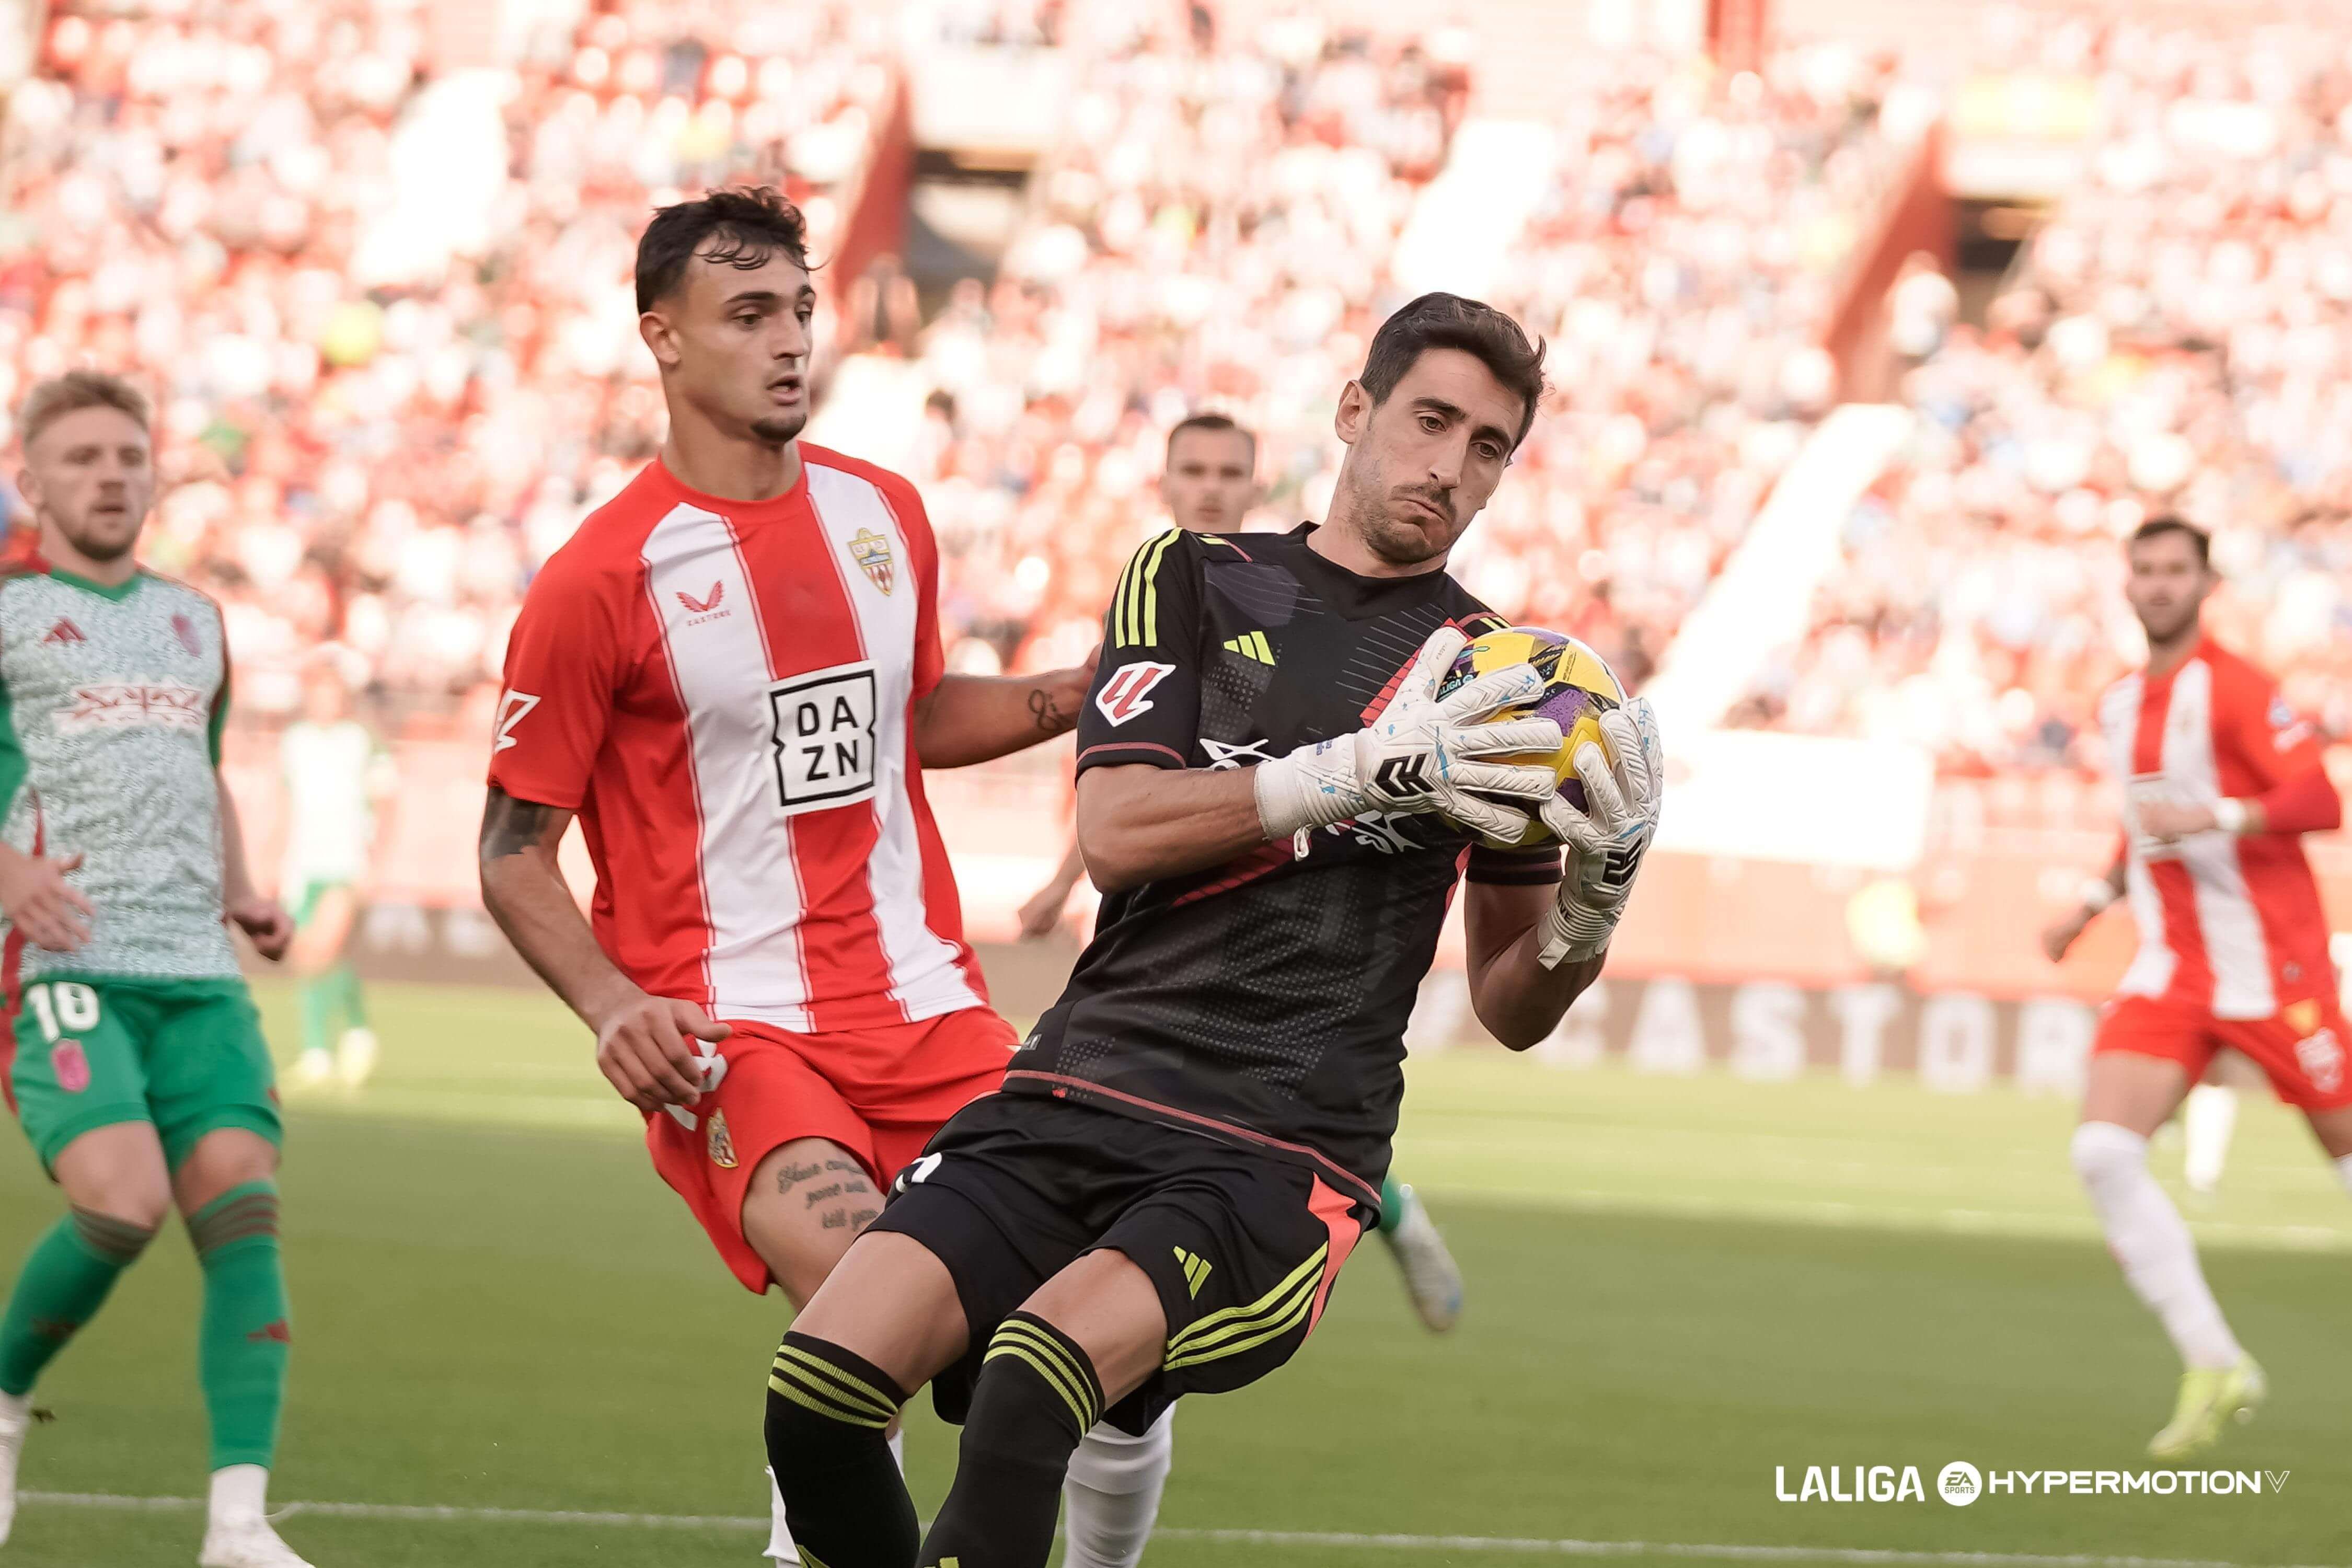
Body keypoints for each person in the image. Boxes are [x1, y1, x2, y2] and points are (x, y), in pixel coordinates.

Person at [764, 292, 1664, 1568]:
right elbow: (1120, 829)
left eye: (1486, 448)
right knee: (817, 1400)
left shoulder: (1504, 682)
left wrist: (1591, 906)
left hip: (1272, 1154)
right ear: (1352, 412)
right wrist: (1351, 771)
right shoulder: (1189, 576)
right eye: (1429, 421)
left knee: (1029, 1387)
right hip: (1071, 1090)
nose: (1449, 468)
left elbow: (1512, 1002)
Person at [474, 187, 1169, 1568]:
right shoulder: (598, 579)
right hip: (733, 1030)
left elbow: (902, 719)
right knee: (868, 1304)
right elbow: (508, 854)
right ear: (661, 340)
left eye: (800, 308)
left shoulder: (881, 514)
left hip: (928, 1009)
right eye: (749, 316)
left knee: (1107, 1316)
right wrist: (616, 1006)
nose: (792, 340)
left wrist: (1057, 697)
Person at [1020, 412, 1469, 1343]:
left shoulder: (1282, 608)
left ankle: (1388, 1207)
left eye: (1231, 471)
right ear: (1167, 480)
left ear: (1256, 485)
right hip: (1157, 893)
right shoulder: (1169, 594)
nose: (1212, 487)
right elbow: (1126, 782)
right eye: (1194, 469)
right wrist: (1070, 877)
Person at [0, 372, 305, 1567]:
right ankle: (6, 1398)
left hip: (198, 968)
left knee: (243, 1205)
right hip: (67, 960)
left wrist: (243, 888)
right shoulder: (12, 610)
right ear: (34, 482)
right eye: (81, 457)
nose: (111, 474)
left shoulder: (195, 620)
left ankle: (237, 1522)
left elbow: (202, 769)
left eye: (128, 453)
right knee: (119, 1201)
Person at [2041, 516, 2349, 1459]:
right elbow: (2143, 824)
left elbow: (2321, 800)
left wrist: (2217, 809)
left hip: (2275, 974)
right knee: (2101, 1151)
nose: (2160, 584)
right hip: (2173, 969)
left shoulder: (2239, 688)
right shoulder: (2124, 699)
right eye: (2146, 570)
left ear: (2206, 582)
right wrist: (2094, 902)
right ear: (2128, 585)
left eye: (2177, 570)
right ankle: (2217, 1363)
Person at [280, 652, 394, 1091]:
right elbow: (286, 805)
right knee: (307, 957)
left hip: (346, 861)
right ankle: (357, 1034)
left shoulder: (363, 740)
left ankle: (318, 1054)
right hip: (303, 862)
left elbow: (387, 803)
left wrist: (375, 862)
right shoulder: (294, 740)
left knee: (320, 951)